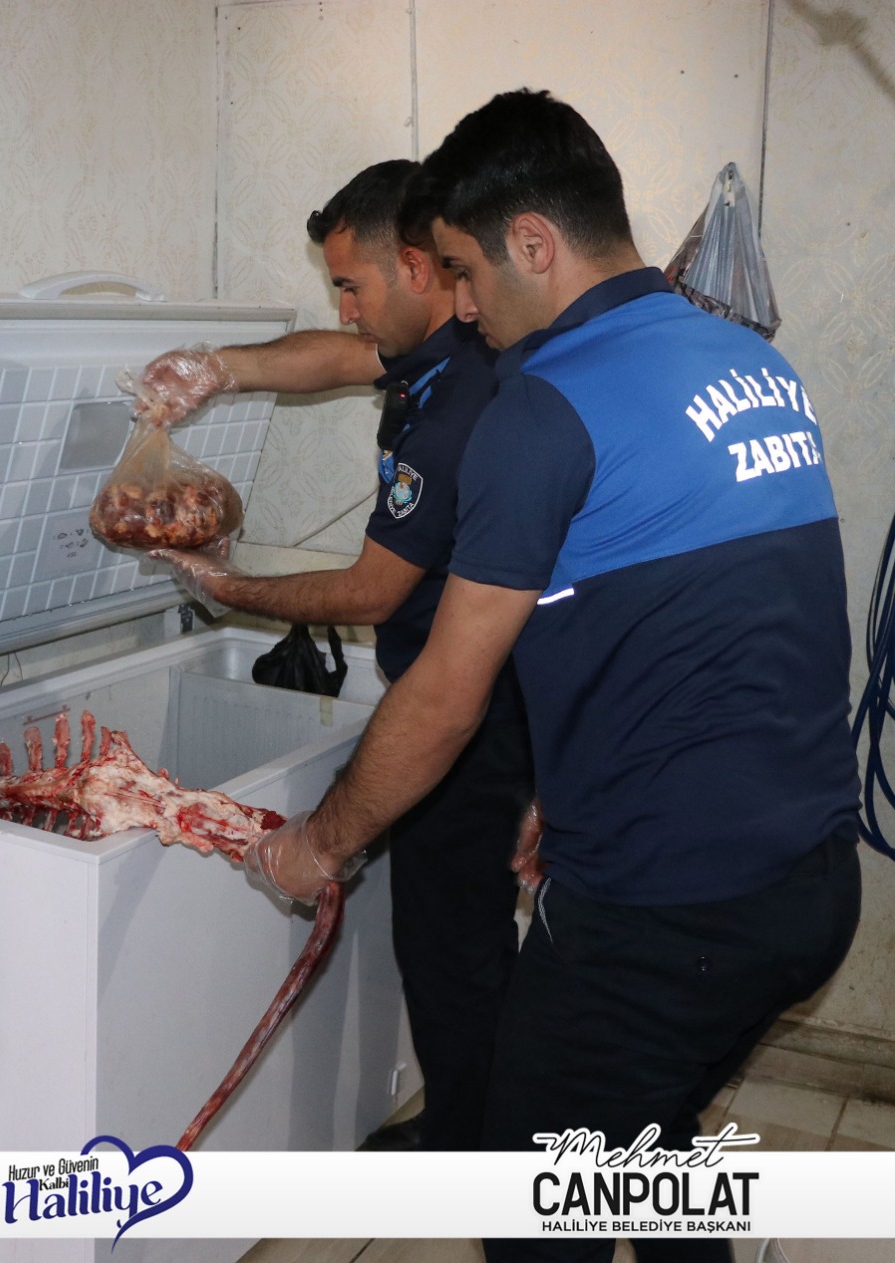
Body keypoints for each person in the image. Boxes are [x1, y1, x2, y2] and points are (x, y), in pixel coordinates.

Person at [244, 90, 862, 1263]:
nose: (463, 306)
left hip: (663, 911)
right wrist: (562, 788)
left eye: (465, 271)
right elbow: (711, 622)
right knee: (644, 1138)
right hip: (810, 883)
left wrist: (318, 843)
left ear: (533, 242)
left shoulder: (540, 407)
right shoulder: (745, 359)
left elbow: (444, 693)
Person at [139, 160, 534, 1152]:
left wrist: (228, 587)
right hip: (488, 699)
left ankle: (474, 1147)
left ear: (417, 268)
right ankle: (477, 1124)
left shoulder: (457, 407)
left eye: (352, 286)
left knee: (453, 943)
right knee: (456, 932)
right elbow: (337, 358)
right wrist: (217, 367)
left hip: (472, 716)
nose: (345, 310)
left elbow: (371, 591)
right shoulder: (446, 345)